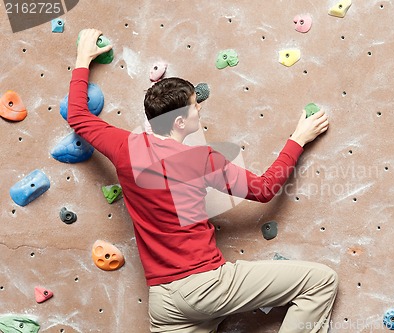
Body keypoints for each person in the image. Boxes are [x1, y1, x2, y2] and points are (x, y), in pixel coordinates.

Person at [69, 28, 339, 333]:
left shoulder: (123, 147)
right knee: (320, 282)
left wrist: (83, 57)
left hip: (164, 301)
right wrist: (298, 139)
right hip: (206, 287)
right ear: (181, 121)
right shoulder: (201, 160)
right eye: (196, 105)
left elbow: (77, 115)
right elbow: (264, 190)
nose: (200, 110)